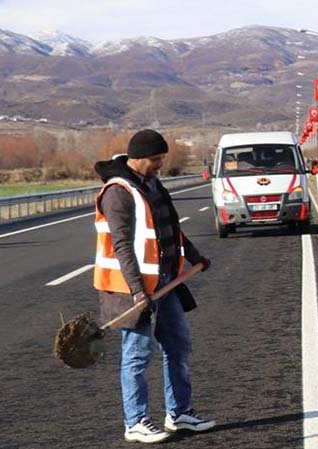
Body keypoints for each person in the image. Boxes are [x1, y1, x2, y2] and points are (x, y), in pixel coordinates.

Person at [93, 130, 215, 444]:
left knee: (178, 345)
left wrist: (193, 254)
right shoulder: (118, 192)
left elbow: (170, 227)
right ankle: (135, 421)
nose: (160, 165)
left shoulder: (152, 184)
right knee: (137, 355)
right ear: (138, 157)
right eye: (156, 160)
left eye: (162, 159)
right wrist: (137, 292)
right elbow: (121, 245)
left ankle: (179, 413)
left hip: (165, 282)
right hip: (131, 289)